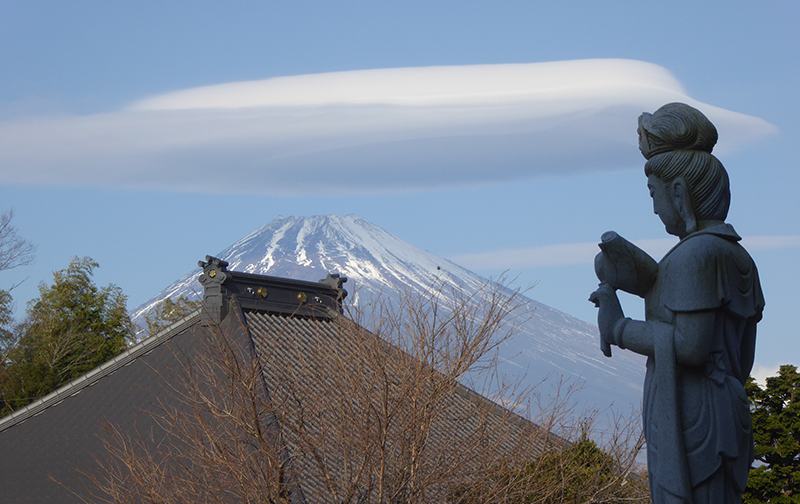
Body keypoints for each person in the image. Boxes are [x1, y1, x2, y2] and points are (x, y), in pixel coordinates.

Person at [589, 103, 764, 504]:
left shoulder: (695, 256)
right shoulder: (733, 255)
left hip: (696, 415)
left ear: (679, 192)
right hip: (725, 406)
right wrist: (648, 282)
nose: (653, 206)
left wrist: (618, 328)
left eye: (654, 193)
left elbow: (689, 345)